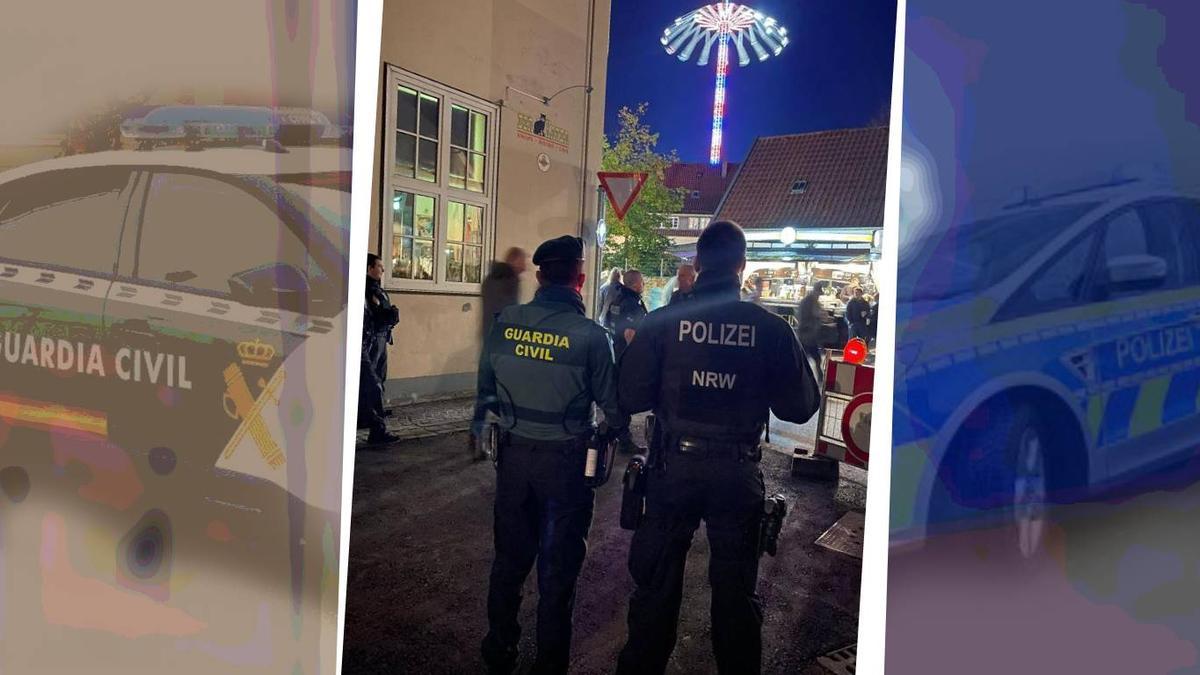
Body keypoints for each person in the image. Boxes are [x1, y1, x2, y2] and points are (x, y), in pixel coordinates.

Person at [614, 221, 821, 674]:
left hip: (672, 470)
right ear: (742, 267)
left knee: (654, 594)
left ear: (698, 264)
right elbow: (801, 408)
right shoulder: (768, 328)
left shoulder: (664, 323)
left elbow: (625, 396)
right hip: (736, 475)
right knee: (735, 600)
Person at [475, 235, 629, 675]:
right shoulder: (593, 337)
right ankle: (549, 664)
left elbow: (486, 388)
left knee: (508, 560)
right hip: (566, 464)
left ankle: (499, 648)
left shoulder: (505, 322)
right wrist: (610, 430)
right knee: (558, 573)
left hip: (514, 461)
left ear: (540, 276)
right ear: (580, 279)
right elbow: (614, 408)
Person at [602, 268, 649, 454]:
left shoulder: (618, 299)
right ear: (636, 284)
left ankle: (611, 432)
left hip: (616, 352)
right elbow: (630, 333)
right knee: (625, 401)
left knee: (618, 400)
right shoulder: (632, 304)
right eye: (642, 282)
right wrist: (638, 360)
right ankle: (621, 439)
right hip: (626, 357)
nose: (643, 285)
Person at [358, 296, 400, 445]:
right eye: (380, 269)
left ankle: (375, 427)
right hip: (360, 345)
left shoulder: (370, 292)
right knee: (372, 386)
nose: (382, 271)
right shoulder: (367, 290)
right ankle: (376, 428)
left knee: (373, 384)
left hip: (365, 342)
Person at [364, 254, 400, 422]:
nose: (383, 270)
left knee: (380, 373)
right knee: (372, 377)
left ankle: (378, 409)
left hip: (383, 335)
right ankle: (371, 413)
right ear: (369, 268)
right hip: (374, 336)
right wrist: (388, 315)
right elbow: (374, 313)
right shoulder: (367, 288)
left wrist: (392, 315)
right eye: (379, 266)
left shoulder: (377, 287)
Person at [481, 247, 529, 338]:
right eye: (523, 261)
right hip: (504, 333)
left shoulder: (491, 278)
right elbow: (510, 309)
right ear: (515, 260)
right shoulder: (509, 280)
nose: (525, 267)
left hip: (489, 331)